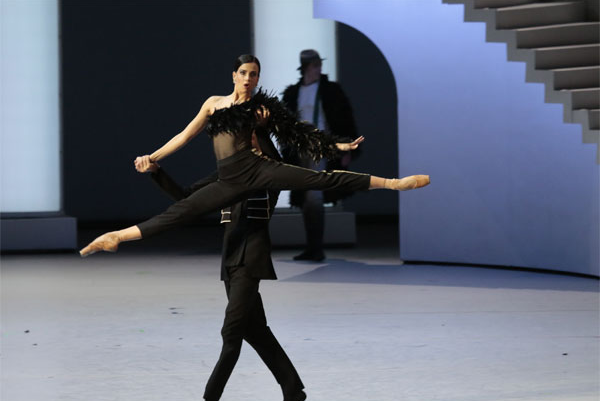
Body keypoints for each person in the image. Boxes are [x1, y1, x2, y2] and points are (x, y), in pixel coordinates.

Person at [79, 54, 430, 256]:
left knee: (320, 179)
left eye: (254, 75)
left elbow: (298, 132)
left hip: (258, 168)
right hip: (229, 177)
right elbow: (184, 136)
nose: (248, 79)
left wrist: (338, 146)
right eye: (244, 73)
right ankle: (116, 237)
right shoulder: (214, 105)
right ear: (234, 75)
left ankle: (394, 184)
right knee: (181, 211)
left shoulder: (262, 108)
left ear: (258, 80)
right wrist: (151, 158)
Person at [135, 128, 305, 401]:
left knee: (231, 335)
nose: (243, 142)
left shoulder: (272, 174)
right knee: (255, 330)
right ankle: (292, 388)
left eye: (250, 137)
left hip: (251, 260)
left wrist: (264, 128)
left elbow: (278, 159)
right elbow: (187, 198)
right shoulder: (226, 176)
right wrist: (157, 171)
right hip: (230, 259)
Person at [282, 49, 358, 262]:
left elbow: (344, 119)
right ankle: (312, 247)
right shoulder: (294, 93)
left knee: (314, 196)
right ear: (306, 67)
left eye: (319, 65)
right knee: (307, 198)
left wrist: (346, 148)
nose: (318, 69)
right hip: (301, 149)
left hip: (322, 148)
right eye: (315, 66)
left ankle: (316, 248)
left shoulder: (330, 91)